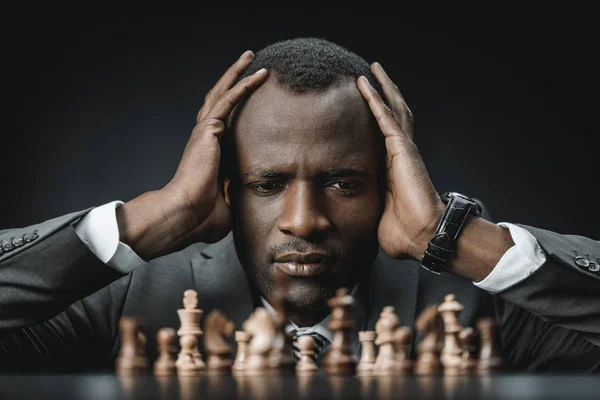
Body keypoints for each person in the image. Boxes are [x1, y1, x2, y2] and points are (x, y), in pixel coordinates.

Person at [0, 38, 598, 373]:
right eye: (266, 184)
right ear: (224, 190)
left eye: (343, 183)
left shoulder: (470, 297)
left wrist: (450, 238)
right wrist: (148, 220)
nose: (303, 220)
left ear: (390, 188)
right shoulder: (134, 295)